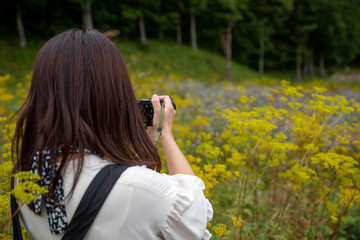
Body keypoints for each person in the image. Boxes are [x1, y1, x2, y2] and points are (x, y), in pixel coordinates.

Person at [12, 29, 213, 239]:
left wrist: (147, 141)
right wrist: (166, 134)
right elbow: (196, 215)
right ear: (111, 97)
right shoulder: (136, 189)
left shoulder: (25, 179)